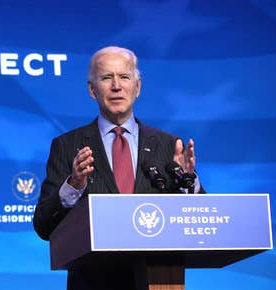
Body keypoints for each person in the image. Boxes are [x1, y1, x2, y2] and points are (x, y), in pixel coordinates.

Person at [32, 46, 203, 290]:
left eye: (124, 77)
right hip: (92, 282)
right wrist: (73, 185)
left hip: (159, 279)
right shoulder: (68, 146)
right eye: (106, 78)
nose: (116, 86)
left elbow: (199, 220)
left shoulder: (168, 145)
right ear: (93, 90)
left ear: (138, 87)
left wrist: (188, 180)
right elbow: (43, 225)